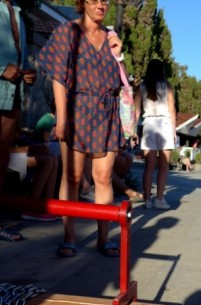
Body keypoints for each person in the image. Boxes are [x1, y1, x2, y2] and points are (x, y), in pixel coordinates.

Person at [37, 0, 125, 258]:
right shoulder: (67, 32)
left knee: (104, 178)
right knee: (73, 177)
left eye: (105, 0)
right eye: (94, 0)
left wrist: (119, 55)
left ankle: (104, 238)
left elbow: (123, 81)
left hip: (107, 112)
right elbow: (58, 77)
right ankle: (69, 237)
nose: (101, 5)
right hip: (76, 110)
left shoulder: (111, 37)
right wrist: (61, 118)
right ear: (81, 3)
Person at [0, 0, 37, 241]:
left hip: (12, 96)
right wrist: (1, 68)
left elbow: (19, 61)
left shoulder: (19, 14)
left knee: (2, 159)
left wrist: (29, 74)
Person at [135, 58, 176, 210]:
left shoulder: (141, 86)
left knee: (149, 166)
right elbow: (172, 110)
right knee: (164, 166)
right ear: (162, 71)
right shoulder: (167, 86)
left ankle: (147, 199)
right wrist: (174, 130)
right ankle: (159, 198)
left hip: (148, 125)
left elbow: (136, 111)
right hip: (164, 124)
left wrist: (133, 130)